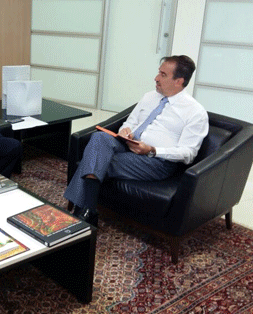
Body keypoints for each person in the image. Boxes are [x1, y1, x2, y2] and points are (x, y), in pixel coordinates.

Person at [64, 55, 209, 227]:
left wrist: (152, 150)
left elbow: (188, 153)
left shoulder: (195, 113)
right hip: (127, 145)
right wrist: (125, 131)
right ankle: (89, 212)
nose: (156, 78)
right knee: (99, 137)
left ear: (179, 81)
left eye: (163, 75)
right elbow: (130, 122)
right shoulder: (150, 96)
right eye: (158, 73)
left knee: (96, 158)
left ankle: (83, 213)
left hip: (156, 161)